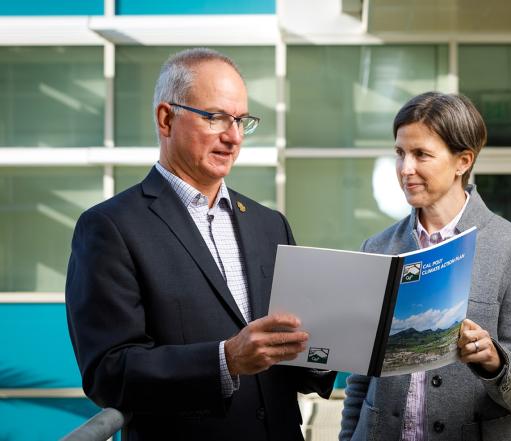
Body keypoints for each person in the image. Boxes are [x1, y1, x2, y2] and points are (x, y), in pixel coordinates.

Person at [65, 48, 335, 441]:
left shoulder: (269, 224)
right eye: (216, 118)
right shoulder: (109, 227)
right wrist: (225, 360)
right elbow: (109, 372)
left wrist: (333, 349)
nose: (234, 136)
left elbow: (285, 351)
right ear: (165, 118)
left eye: (242, 120)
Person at [340, 92, 511, 441]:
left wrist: (494, 361)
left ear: (462, 161)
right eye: (400, 153)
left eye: (421, 154)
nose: (406, 169)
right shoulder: (377, 249)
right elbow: (360, 377)